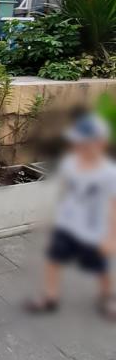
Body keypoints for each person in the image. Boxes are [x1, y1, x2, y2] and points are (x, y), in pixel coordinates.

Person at [27, 113, 116, 320]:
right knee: (53, 260)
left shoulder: (109, 173)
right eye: (76, 144)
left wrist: (111, 237)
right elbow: (66, 192)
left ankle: (107, 296)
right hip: (67, 225)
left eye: (85, 145)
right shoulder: (70, 164)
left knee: (100, 267)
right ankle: (50, 296)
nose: (80, 149)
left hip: (94, 231)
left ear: (101, 144)